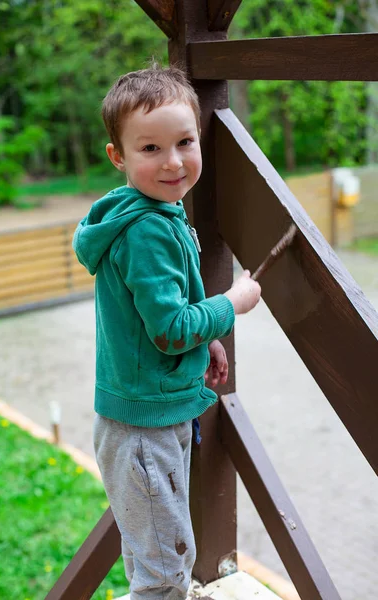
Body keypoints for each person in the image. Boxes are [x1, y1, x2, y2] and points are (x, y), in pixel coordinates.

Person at [73, 64, 261, 600]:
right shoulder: (149, 229)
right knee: (163, 575)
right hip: (143, 432)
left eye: (184, 141)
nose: (174, 161)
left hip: (144, 416)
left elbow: (161, 313)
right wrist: (230, 305)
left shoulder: (152, 211)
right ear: (119, 157)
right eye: (151, 149)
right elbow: (170, 329)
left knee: (155, 553)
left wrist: (208, 341)